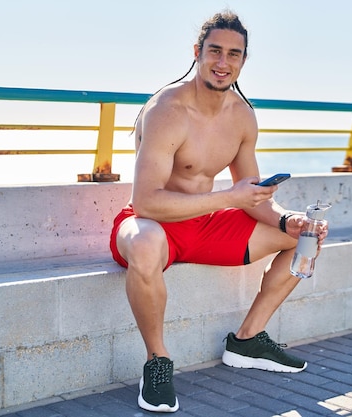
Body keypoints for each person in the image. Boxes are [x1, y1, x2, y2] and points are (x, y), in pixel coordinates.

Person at [110, 10, 328, 413]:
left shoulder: (243, 117)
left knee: (305, 237)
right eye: (215, 51)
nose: (223, 62)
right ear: (197, 52)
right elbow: (147, 202)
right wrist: (230, 199)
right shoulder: (166, 111)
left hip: (205, 225)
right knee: (143, 245)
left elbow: (255, 195)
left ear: (244, 61)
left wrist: (287, 220)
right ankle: (157, 363)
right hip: (153, 224)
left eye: (234, 54)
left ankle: (247, 339)